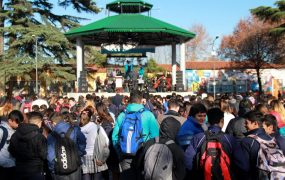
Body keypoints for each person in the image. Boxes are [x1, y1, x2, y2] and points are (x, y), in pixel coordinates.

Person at [184, 107, 248, 179]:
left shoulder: (198, 137)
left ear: (208, 121)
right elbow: (242, 164)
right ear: (222, 120)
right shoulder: (229, 139)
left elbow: (188, 160)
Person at [112, 90, 159, 179]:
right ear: (141, 100)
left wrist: (120, 152)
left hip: (125, 155)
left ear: (130, 99)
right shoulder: (148, 115)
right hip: (143, 155)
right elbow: (155, 137)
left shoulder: (122, 115)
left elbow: (115, 137)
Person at [240, 110, 285, 179]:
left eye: (247, 123)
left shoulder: (247, 141)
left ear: (255, 123)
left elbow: (244, 168)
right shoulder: (272, 139)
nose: (244, 125)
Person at [47, 112, 86, 180]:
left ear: (53, 123)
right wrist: (78, 154)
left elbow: (50, 156)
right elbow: (83, 142)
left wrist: (53, 168)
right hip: (75, 165)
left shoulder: (51, 135)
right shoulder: (75, 129)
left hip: (59, 169)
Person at [9, 112, 47, 180]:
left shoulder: (15, 134)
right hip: (35, 171)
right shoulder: (39, 137)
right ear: (39, 122)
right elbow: (44, 154)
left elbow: (11, 151)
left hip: (19, 169)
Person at [0, 110, 24, 180]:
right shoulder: (2, 130)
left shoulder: (17, 130)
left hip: (13, 163)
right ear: (10, 120)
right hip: (3, 164)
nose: (18, 124)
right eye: (17, 122)